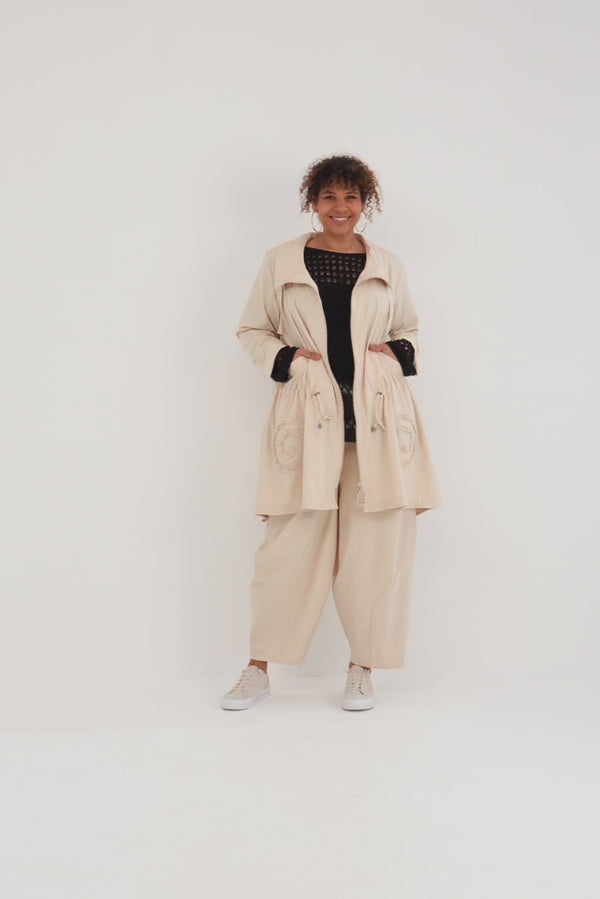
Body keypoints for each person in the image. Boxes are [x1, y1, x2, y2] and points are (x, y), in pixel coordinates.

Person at [221, 154, 441, 712]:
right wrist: (288, 360)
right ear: (312, 202)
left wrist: (396, 352)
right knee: (286, 553)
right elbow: (252, 329)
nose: (340, 207)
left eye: (350, 197)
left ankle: (361, 668)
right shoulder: (281, 261)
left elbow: (409, 327)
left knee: (374, 554)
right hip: (307, 423)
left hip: (377, 427)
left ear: (365, 203)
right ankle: (257, 668)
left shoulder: (386, 264)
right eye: (329, 197)